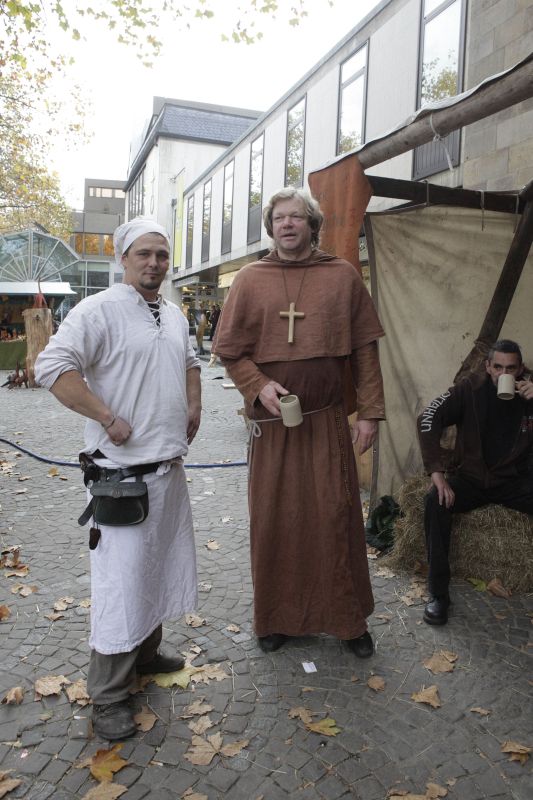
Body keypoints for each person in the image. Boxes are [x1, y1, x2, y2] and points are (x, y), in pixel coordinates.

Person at [35, 218, 202, 739]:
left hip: (168, 472)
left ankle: (146, 656)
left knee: (158, 567)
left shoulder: (172, 313)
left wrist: (194, 405)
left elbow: (191, 362)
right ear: (123, 258)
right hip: (121, 479)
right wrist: (106, 417)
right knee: (122, 585)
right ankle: (107, 695)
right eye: (143, 253)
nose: (154, 263)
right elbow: (51, 366)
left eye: (161, 254)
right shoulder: (98, 310)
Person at [213, 187, 386, 657]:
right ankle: (276, 618)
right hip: (273, 428)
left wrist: (370, 412)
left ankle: (347, 620)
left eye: (296, 217)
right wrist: (257, 385)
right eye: (279, 218)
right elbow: (230, 352)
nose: (287, 224)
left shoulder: (342, 275)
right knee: (275, 520)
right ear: (271, 228)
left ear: (312, 225)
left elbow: (365, 350)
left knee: (335, 516)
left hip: (326, 421)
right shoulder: (250, 279)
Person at [417, 339, 533, 625]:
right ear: (487, 366)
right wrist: (437, 473)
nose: (503, 374)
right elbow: (428, 417)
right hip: (472, 478)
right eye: (498, 367)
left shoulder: (530, 391)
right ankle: (438, 595)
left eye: (510, 368)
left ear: (520, 369)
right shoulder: (469, 388)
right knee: (435, 501)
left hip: (514, 480)